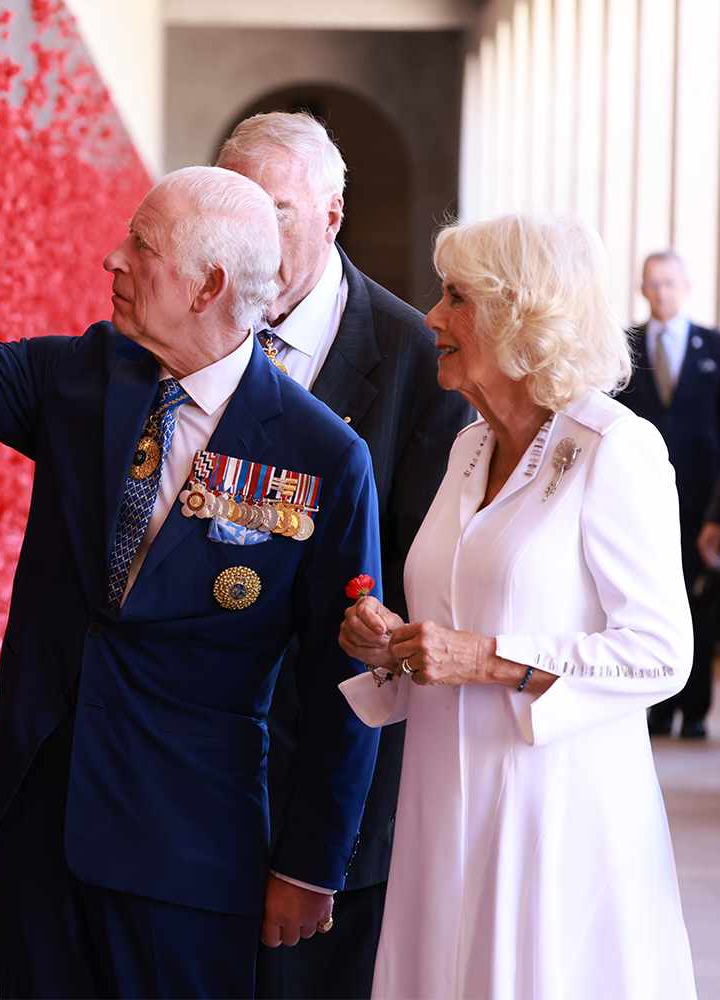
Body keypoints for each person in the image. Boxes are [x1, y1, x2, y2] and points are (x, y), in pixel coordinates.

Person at [0, 135, 381, 998]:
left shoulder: (324, 457)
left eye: (143, 249)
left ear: (207, 289)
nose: (111, 258)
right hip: (45, 823)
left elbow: (345, 677)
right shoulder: (88, 377)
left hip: (189, 859)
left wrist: (312, 864)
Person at [338, 215, 697, 999]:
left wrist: (489, 658)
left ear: (524, 314)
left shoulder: (616, 448)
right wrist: (394, 645)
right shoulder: (468, 446)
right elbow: (454, 618)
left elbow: (661, 652)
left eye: (456, 297)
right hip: (439, 808)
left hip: (552, 818)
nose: (431, 317)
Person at [216, 112, 474, 999]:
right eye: (232, 202)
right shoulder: (195, 324)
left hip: (323, 787)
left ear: (330, 219)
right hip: (190, 776)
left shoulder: (414, 359)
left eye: (275, 210)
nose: (246, 230)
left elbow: (410, 605)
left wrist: (327, 847)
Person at [616, 250, 719, 740]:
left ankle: (696, 709)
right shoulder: (624, 347)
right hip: (640, 500)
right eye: (653, 284)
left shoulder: (713, 347)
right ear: (642, 288)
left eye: (670, 283)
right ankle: (656, 706)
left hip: (701, 504)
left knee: (701, 605)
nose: (662, 293)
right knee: (647, 599)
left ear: (686, 286)